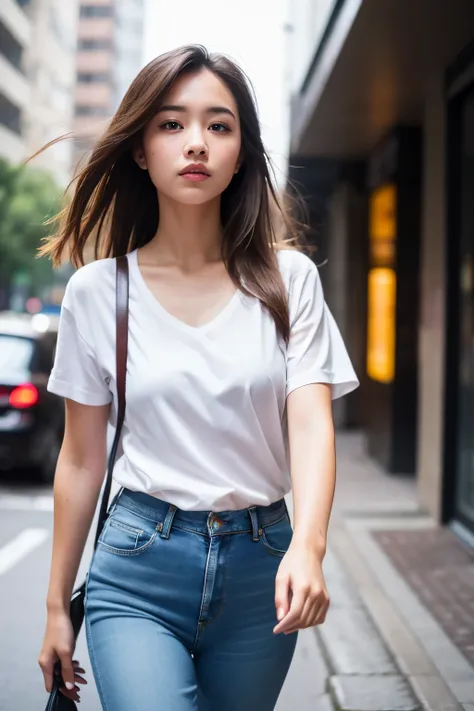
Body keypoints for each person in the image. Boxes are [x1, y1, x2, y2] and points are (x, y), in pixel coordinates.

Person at [38, 44, 359, 711]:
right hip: (136, 567)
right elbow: (80, 459)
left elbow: (310, 424)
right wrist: (55, 606)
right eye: (171, 124)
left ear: (241, 151)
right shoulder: (99, 293)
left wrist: (309, 545)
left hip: (260, 566)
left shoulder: (287, 280)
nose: (196, 143)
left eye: (219, 125)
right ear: (138, 147)